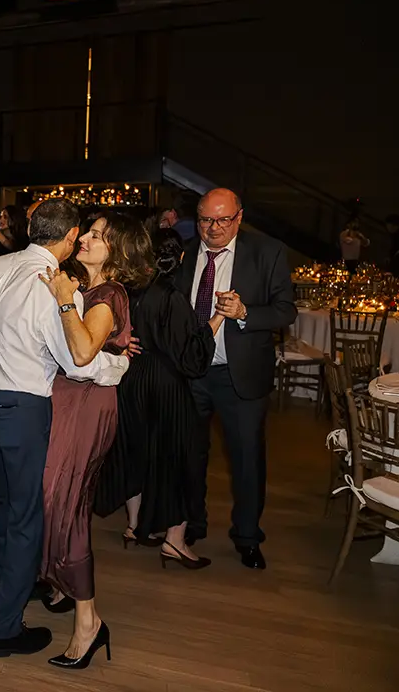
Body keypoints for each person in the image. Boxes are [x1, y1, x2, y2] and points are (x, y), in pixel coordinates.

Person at [0, 198, 129, 660]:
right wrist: (117, 363)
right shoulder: (60, 290)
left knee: (3, 499)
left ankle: (0, 579)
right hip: (22, 406)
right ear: (70, 238)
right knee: (26, 515)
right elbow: (77, 363)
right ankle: (3, 630)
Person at [38, 213, 151, 669]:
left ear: (117, 249)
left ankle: (88, 621)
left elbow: (83, 352)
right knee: (56, 499)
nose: (83, 237)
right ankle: (64, 584)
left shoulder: (109, 293)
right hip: (69, 400)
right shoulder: (90, 289)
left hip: (85, 406)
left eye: (97, 236)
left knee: (65, 504)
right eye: (87, 231)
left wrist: (66, 302)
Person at [173, 188, 297, 571]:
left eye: (222, 220)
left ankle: (247, 536)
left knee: (246, 459)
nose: (212, 228)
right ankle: (192, 523)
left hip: (239, 375)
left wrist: (244, 311)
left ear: (239, 218)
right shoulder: (185, 251)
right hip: (190, 374)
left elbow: (285, 311)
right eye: (206, 219)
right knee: (189, 455)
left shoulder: (267, 252)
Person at [94, 229, 221, 566]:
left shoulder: (128, 290)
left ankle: (134, 527)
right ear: (179, 259)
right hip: (165, 384)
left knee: (137, 450)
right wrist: (219, 318)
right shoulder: (171, 296)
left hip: (131, 378)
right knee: (176, 458)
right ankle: (175, 541)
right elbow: (192, 357)